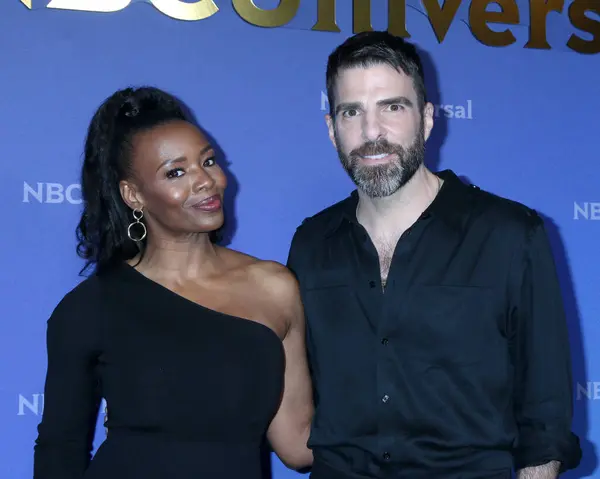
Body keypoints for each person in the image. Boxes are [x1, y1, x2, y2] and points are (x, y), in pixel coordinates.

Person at [286, 31, 581, 479]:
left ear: (426, 119)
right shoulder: (311, 244)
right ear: (332, 129)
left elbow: (545, 417)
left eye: (392, 107)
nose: (371, 132)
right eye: (352, 112)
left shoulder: (509, 234)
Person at [33, 86, 313, 478]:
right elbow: (59, 450)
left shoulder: (274, 286)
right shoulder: (90, 307)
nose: (206, 181)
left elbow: (299, 444)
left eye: (209, 161)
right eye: (176, 172)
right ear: (133, 195)